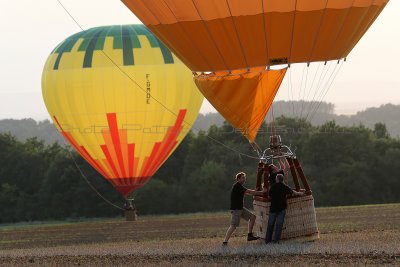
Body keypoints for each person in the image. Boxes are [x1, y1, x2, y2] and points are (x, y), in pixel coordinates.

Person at [223, 172, 266, 246]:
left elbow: (248, 193)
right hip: (236, 209)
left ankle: (249, 235)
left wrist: (256, 192)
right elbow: (249, 191)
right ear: (238, 179)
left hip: (240, 208)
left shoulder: (239, 187)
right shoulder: (238, 186)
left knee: (252, 217)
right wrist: (262, 193)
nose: (244, 179)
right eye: (243, 178)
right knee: (233, 226)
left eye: (245, 178)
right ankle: (225, 242)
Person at [265, 173, 304, 244]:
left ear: (277, 179)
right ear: (282, 180)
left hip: (273, 208)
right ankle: (276, 241)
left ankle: (268, 241)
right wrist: (300, 193)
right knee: (279, 226)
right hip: (282, 208)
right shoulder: (285, 187)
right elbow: (293, 192)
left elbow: (269, 196)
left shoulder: (273, 186)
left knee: (270, 225)